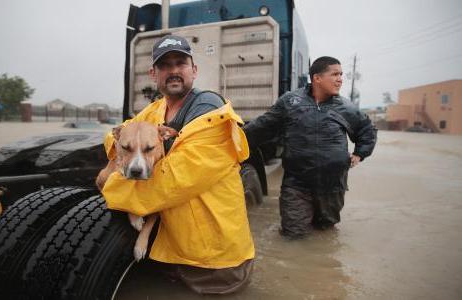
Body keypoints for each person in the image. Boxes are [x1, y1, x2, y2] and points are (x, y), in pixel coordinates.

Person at [101, 35, 255, 294]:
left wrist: (109, 183)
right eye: (164, 65)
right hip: (170, 251)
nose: (173, 70)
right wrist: (117, 156)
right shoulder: (154, 111)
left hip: (213, 262)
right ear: (154, 73)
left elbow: (172, 181)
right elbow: (116, 135)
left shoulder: (210, 110)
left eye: (180, 63)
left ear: (194, 70)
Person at [244, 56, 377, 239]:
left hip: (333, 187)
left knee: (325, 232)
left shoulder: (346, 108)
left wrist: (360, 154)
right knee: (294, 236)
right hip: (297, 186)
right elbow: (262, 126)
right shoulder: (291, 102)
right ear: (317, 78)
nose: (340, 79)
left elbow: (367, 129)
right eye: (335, 74)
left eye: (341, 74)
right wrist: (231, 139)